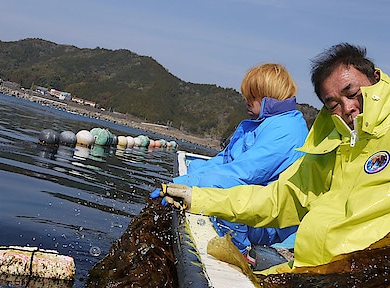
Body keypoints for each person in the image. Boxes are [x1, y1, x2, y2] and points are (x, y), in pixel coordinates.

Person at [159, 43, 390, 269]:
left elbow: (243, 173)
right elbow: (281, 197)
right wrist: (196, 196)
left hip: (358, 276)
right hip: (312, 270)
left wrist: (194, 187)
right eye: (333, 105)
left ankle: (242, 253)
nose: (348, 108)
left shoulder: (285, 131)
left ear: (375, 79)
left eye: (352, 93)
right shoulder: (333, 144)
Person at [152, 63, 308, 264]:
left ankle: (240, 251)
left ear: (268, 96)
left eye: (252, 96)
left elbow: (240, 176)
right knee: (198, 168)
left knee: (220, 187)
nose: (246, 101)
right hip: (251, 207)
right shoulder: (262, 123)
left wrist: (185, 185)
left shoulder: (287, 132)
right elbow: (224, 161)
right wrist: (178, 181)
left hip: (266, 221)